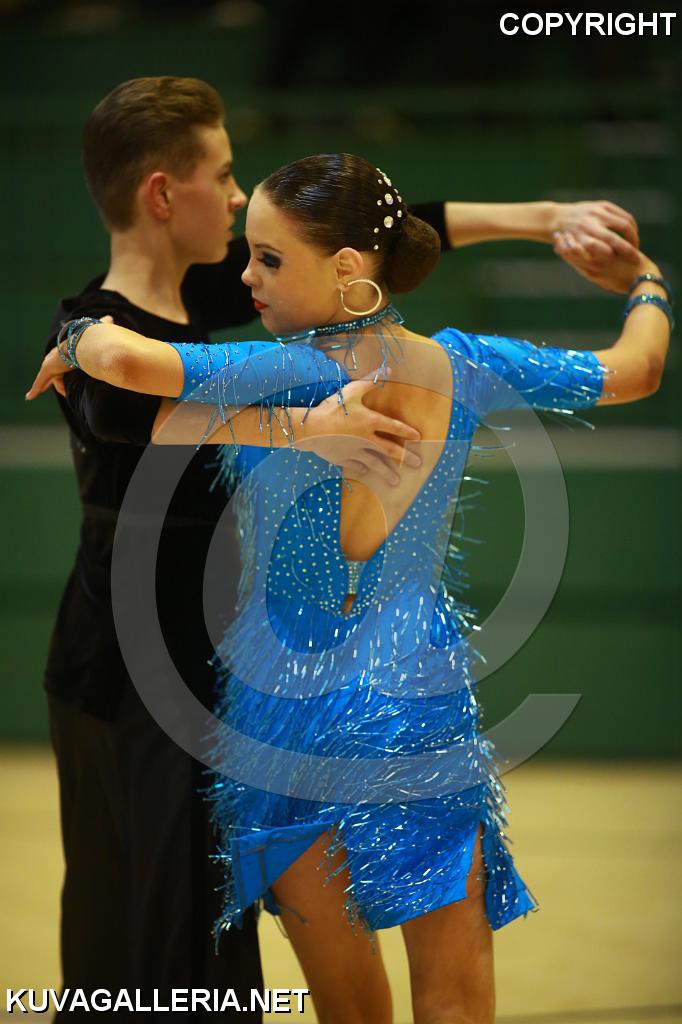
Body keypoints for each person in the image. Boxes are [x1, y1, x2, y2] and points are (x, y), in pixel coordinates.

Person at [39, 76, 641, 1018]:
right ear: (162, 192)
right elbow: (633, 368)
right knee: (439, 990)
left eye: (267, 258)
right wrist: (647, 283)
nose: (247, 262)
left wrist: (77, 337)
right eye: (224, 177)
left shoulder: (273, 356)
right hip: (387, 689)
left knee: (321, 992)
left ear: (344, 269)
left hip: (271, 696)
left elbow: (129, 375)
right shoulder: (454, 358)